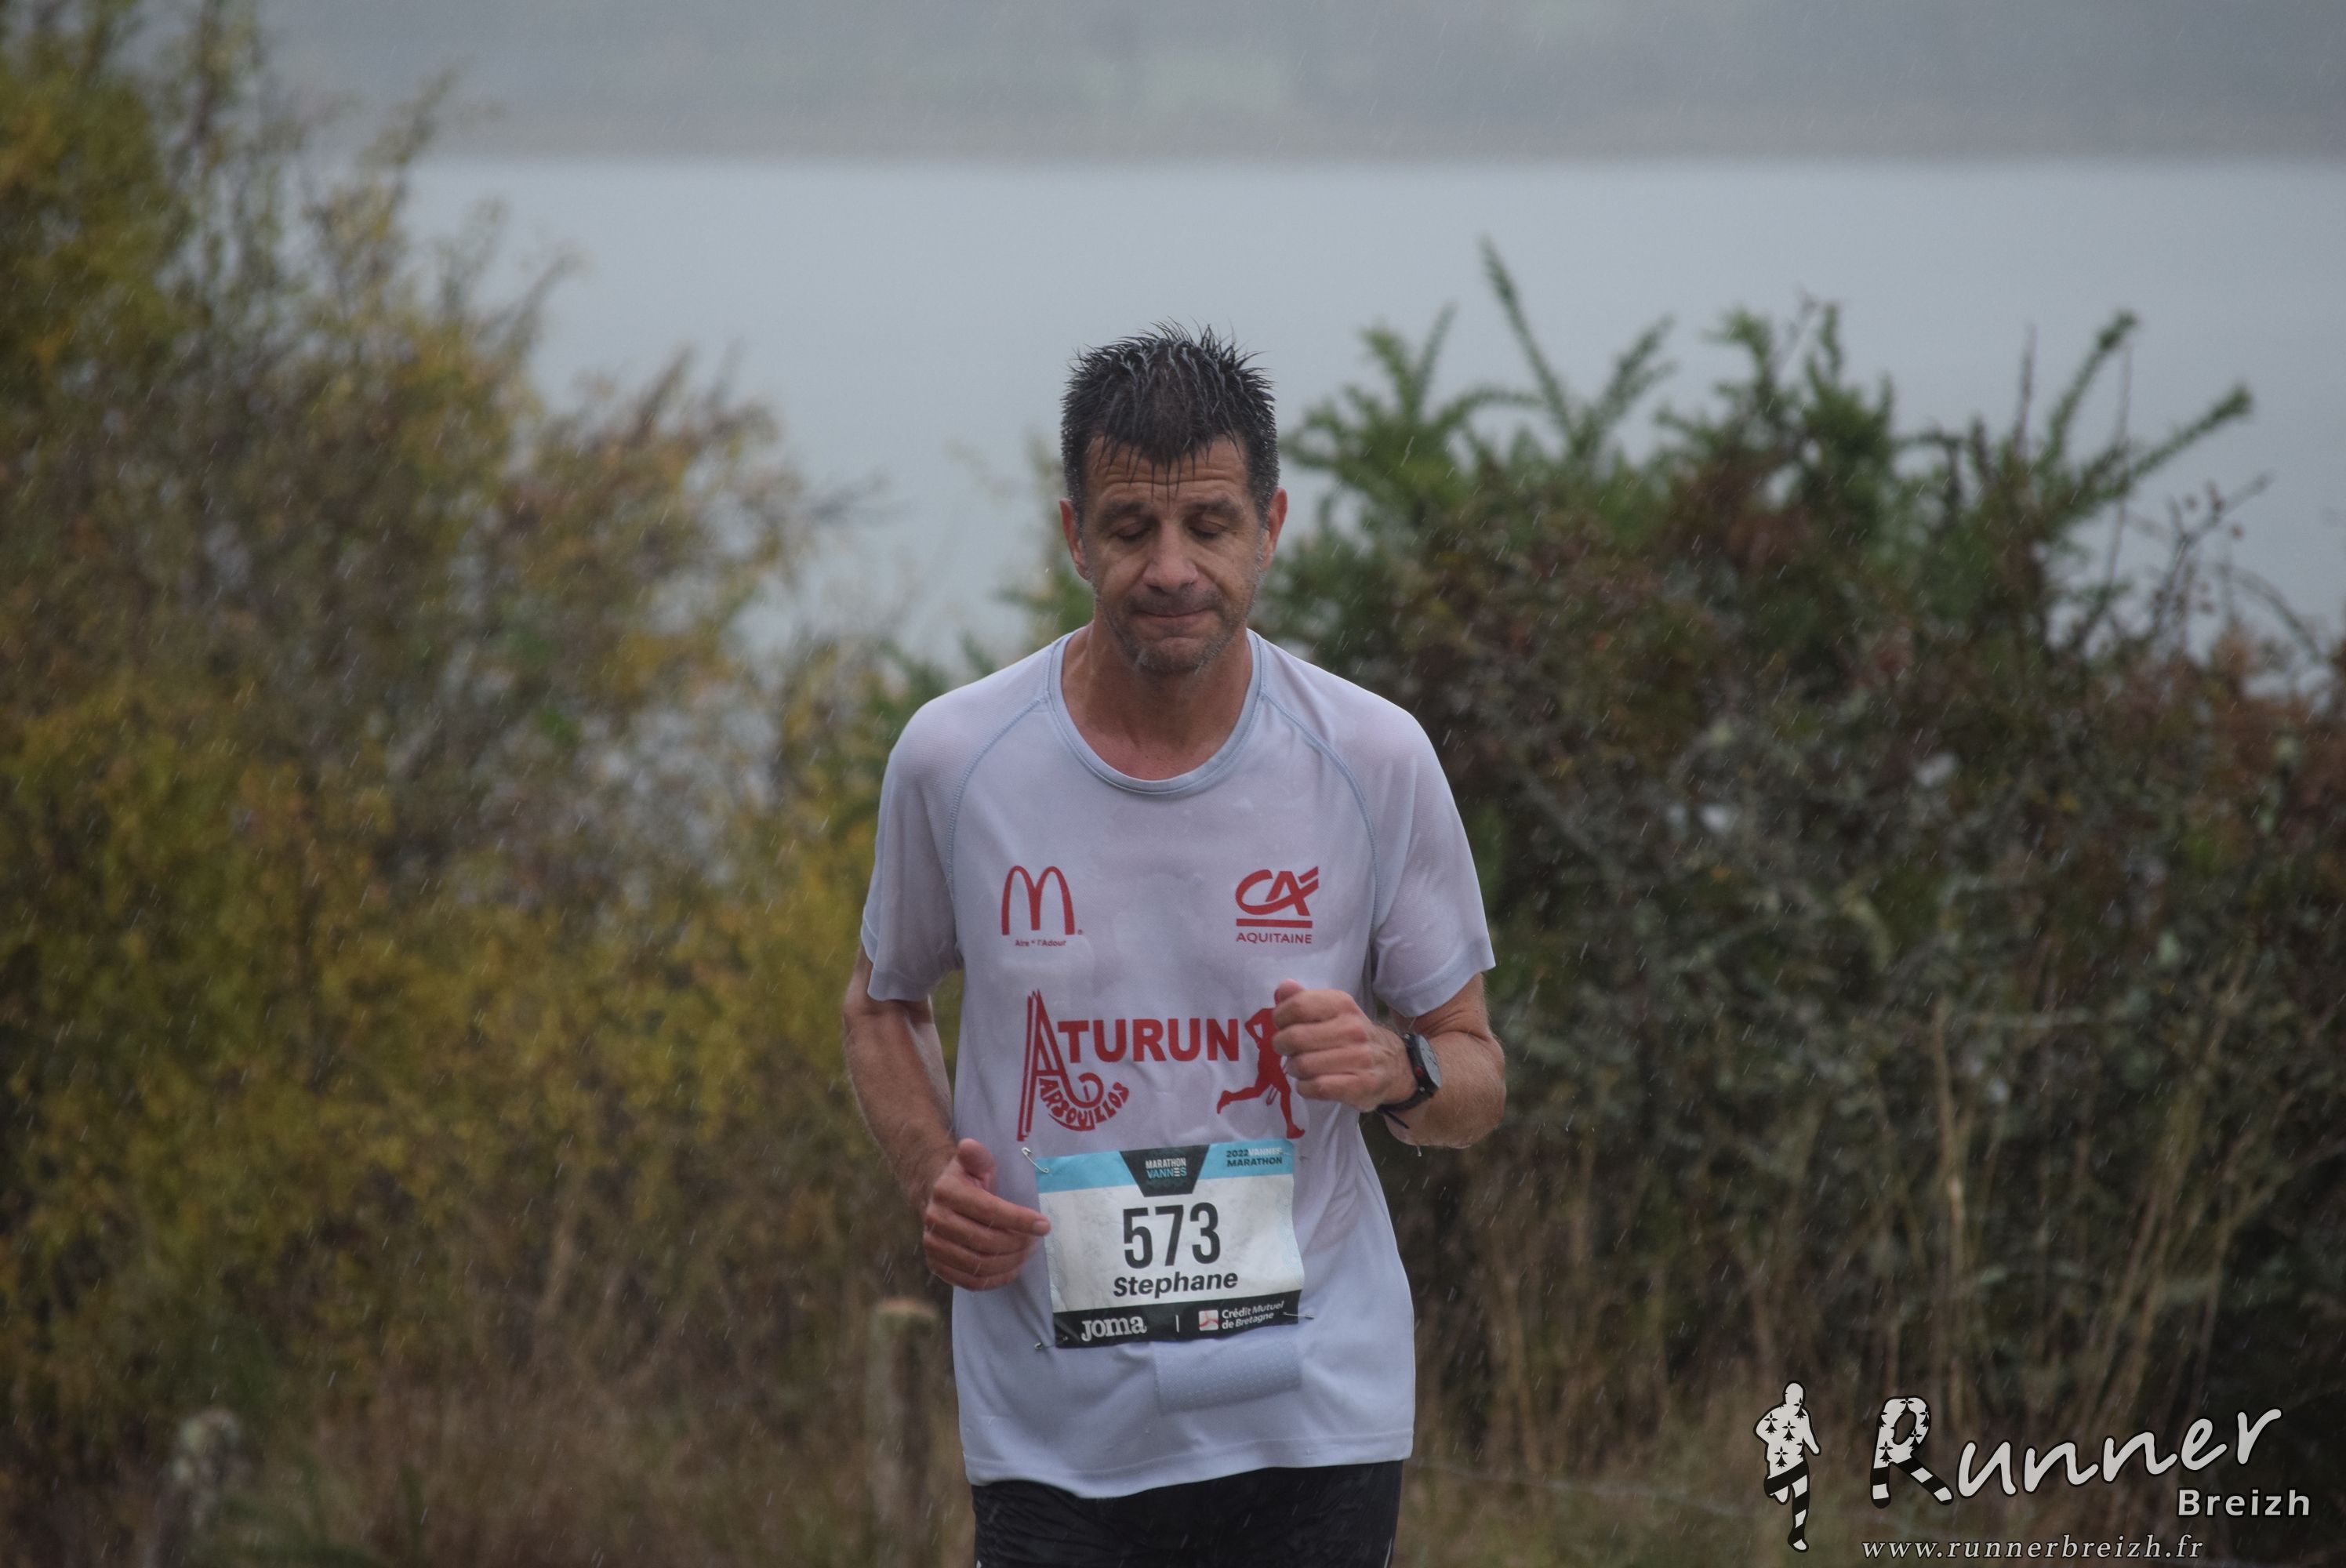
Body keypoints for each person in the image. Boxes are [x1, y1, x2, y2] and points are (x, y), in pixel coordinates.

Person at [842, 324, 1505, 1567]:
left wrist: (1394, 1067)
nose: (1170, 568)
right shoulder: (955, 757)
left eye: (1209, 525)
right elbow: (883, 1004)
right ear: (1073, 535)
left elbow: (1475, 1072)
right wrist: (935, 1175)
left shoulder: (1372, 756)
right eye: (1130, 528)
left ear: (1271, 527)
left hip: (1315, 1407)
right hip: (1053, 1426)